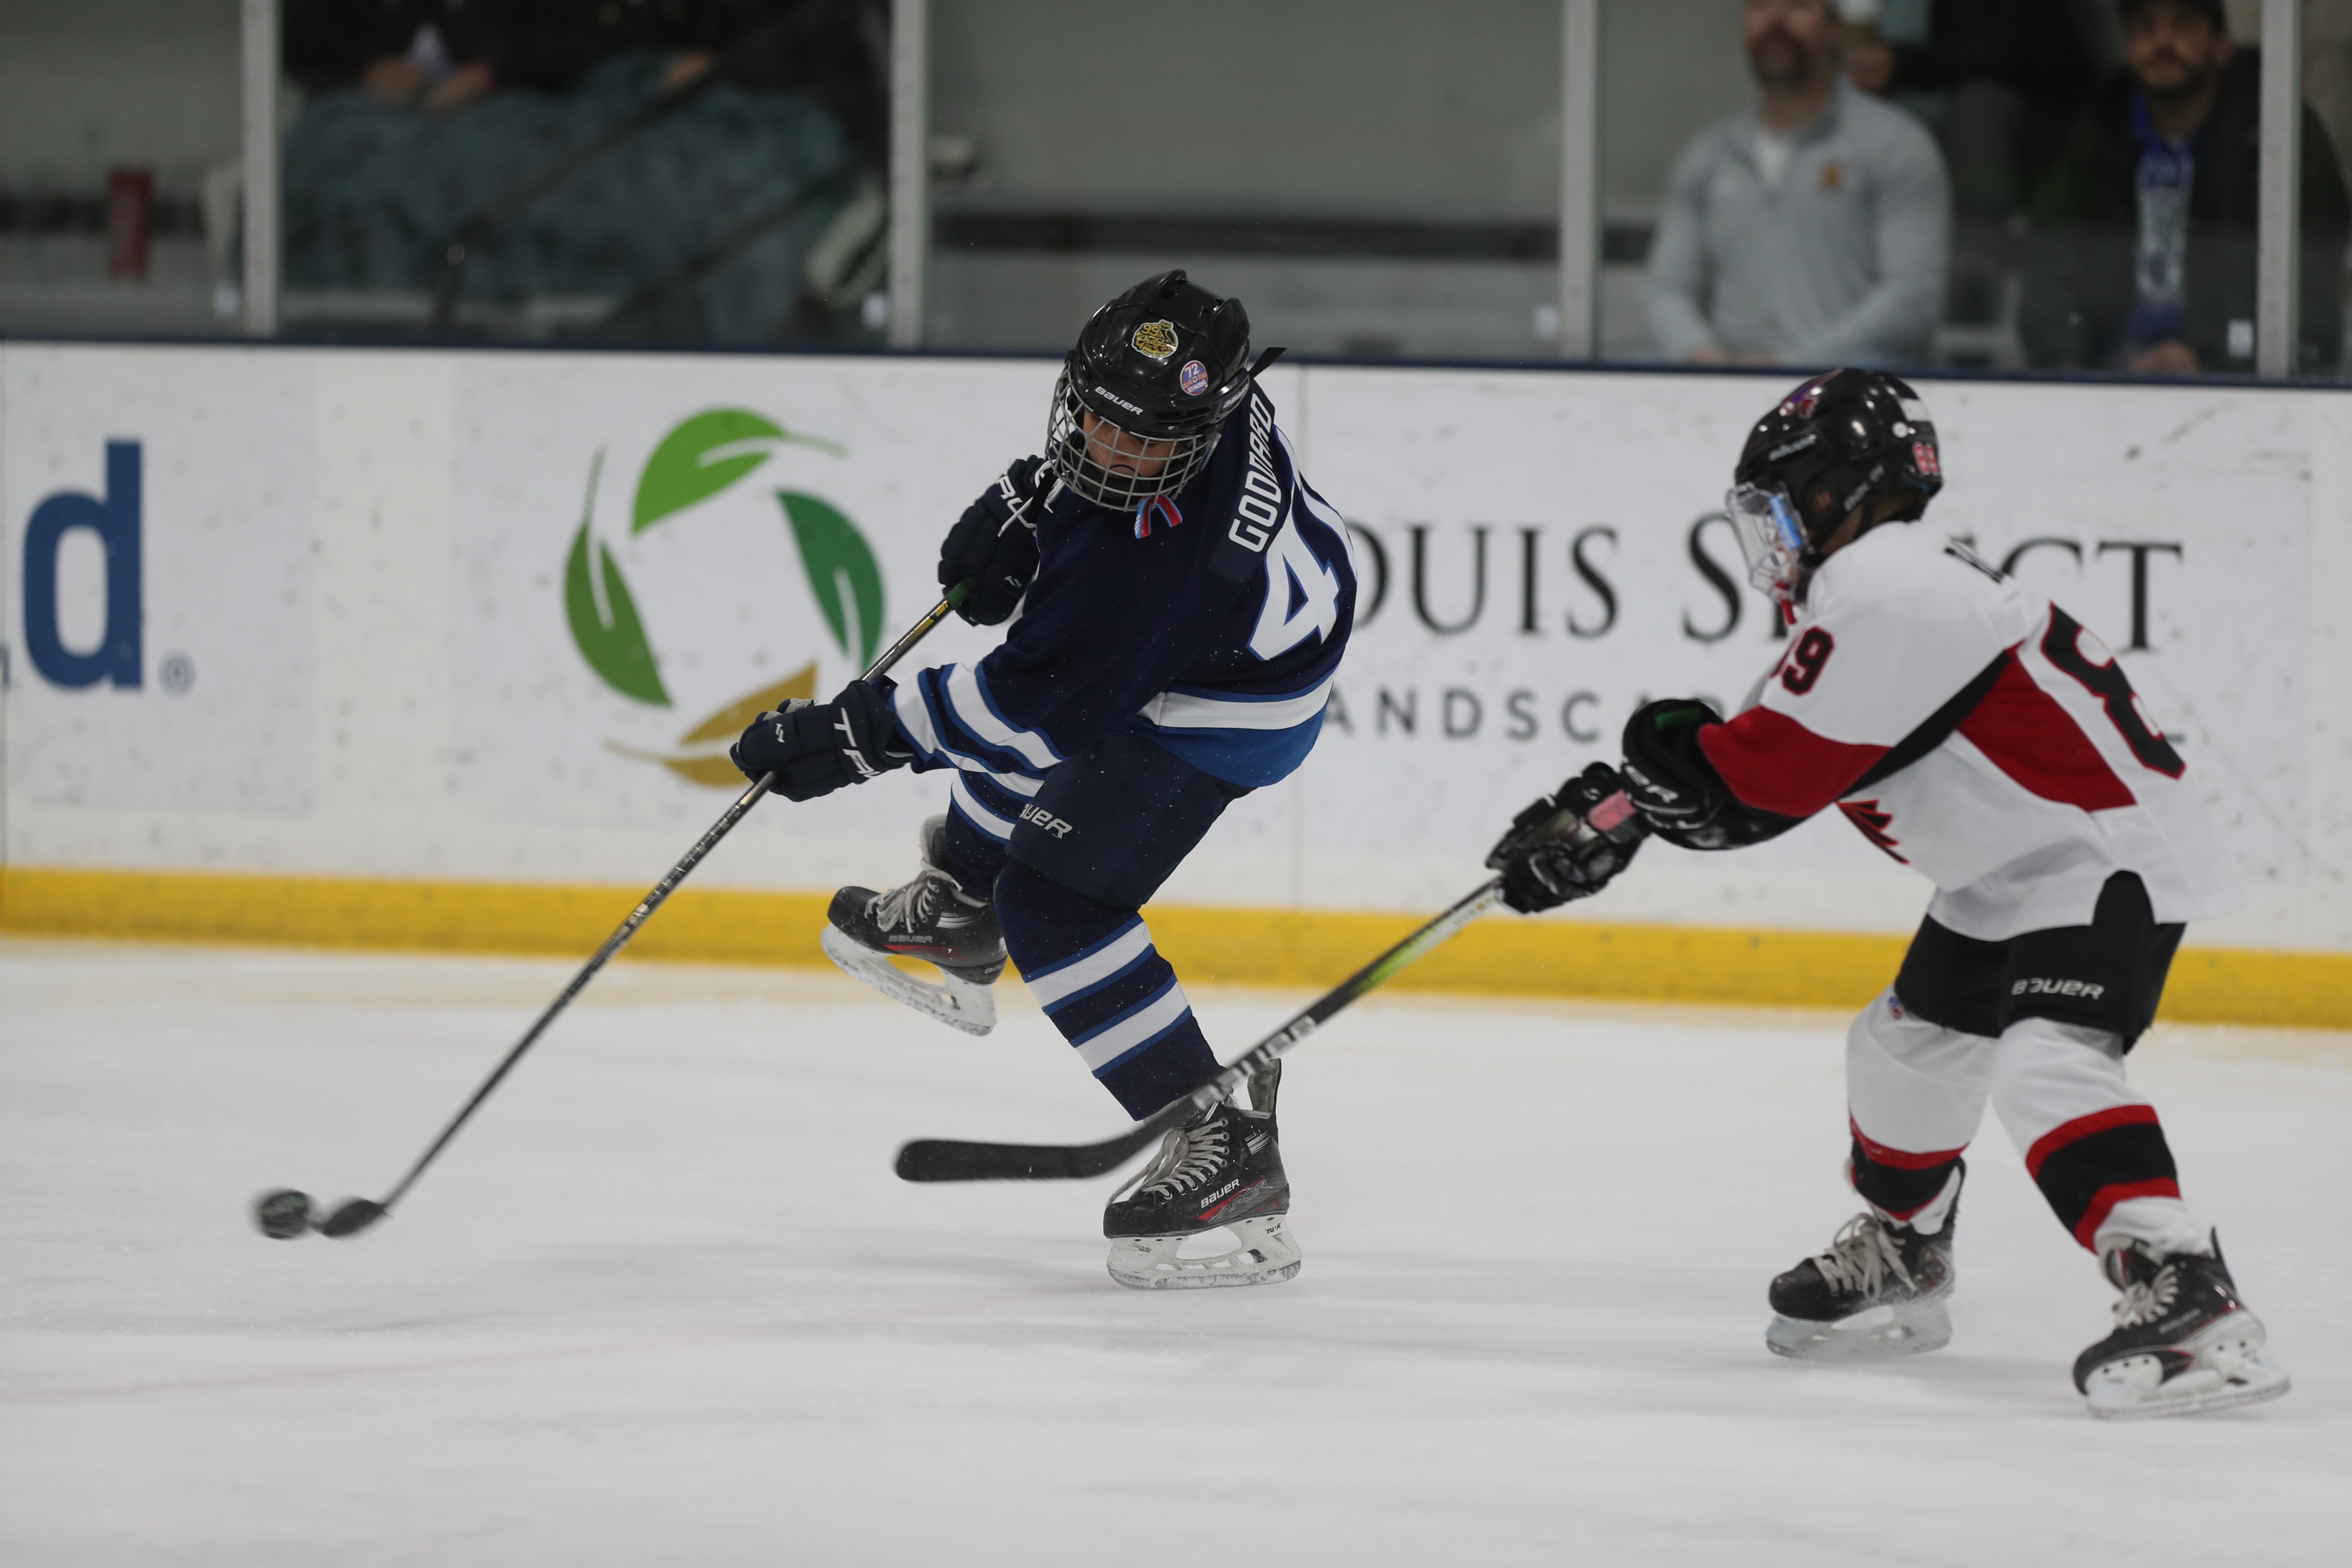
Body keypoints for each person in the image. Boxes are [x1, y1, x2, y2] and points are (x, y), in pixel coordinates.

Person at [1485, 368, 2290, 1420]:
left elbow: (1757, 786)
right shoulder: (1877, 592)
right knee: (1900, 1050)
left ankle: (2188, 1292)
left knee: (2048, 1064)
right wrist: (1616, 817)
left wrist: (1650, 774)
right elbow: (1757, 767)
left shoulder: (1889, 583)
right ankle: (1909, 1250)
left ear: (1836, 490)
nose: (1774, 532)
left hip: (2098, 856)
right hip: (2010, 871)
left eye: (1782, 503)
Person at [730, 270, 1358, 1290]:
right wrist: (1038, 500)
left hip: (1230, 710)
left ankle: (1222, 1141)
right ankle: (961, 906)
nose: (1105, 445)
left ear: (1197, 428)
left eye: (1139, 439)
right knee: (1048, 724)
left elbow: (1017, 720)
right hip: (1227, 642)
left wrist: (851, 736)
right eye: (1094, 417)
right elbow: (1103, 513)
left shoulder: (1155, 574)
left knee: (1057, 904)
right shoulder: (1213, 407)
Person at [2023, 0, 2351, 374]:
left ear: (2222, 46)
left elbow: (2312, 288)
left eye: (2182, 25)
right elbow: (2048, 269)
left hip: (2238, 388)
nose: (2162, 40)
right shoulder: (2098, 132)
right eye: (2145, 26)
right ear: (2127, 45)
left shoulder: (2278, 134)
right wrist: (2080, 368)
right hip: (2108, 383)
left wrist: (2213, 362)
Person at [1646, 0, 1952, 368]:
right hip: (1729, 389)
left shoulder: (1895, 144)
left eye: (1798, 4)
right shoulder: (1709, 155)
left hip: (1853, 389)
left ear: (1835, 26)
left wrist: (1792, 366)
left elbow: (1913, 296)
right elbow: (1668, 288)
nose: (1776, 19)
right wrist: (1702, 357)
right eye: (1760, 5)